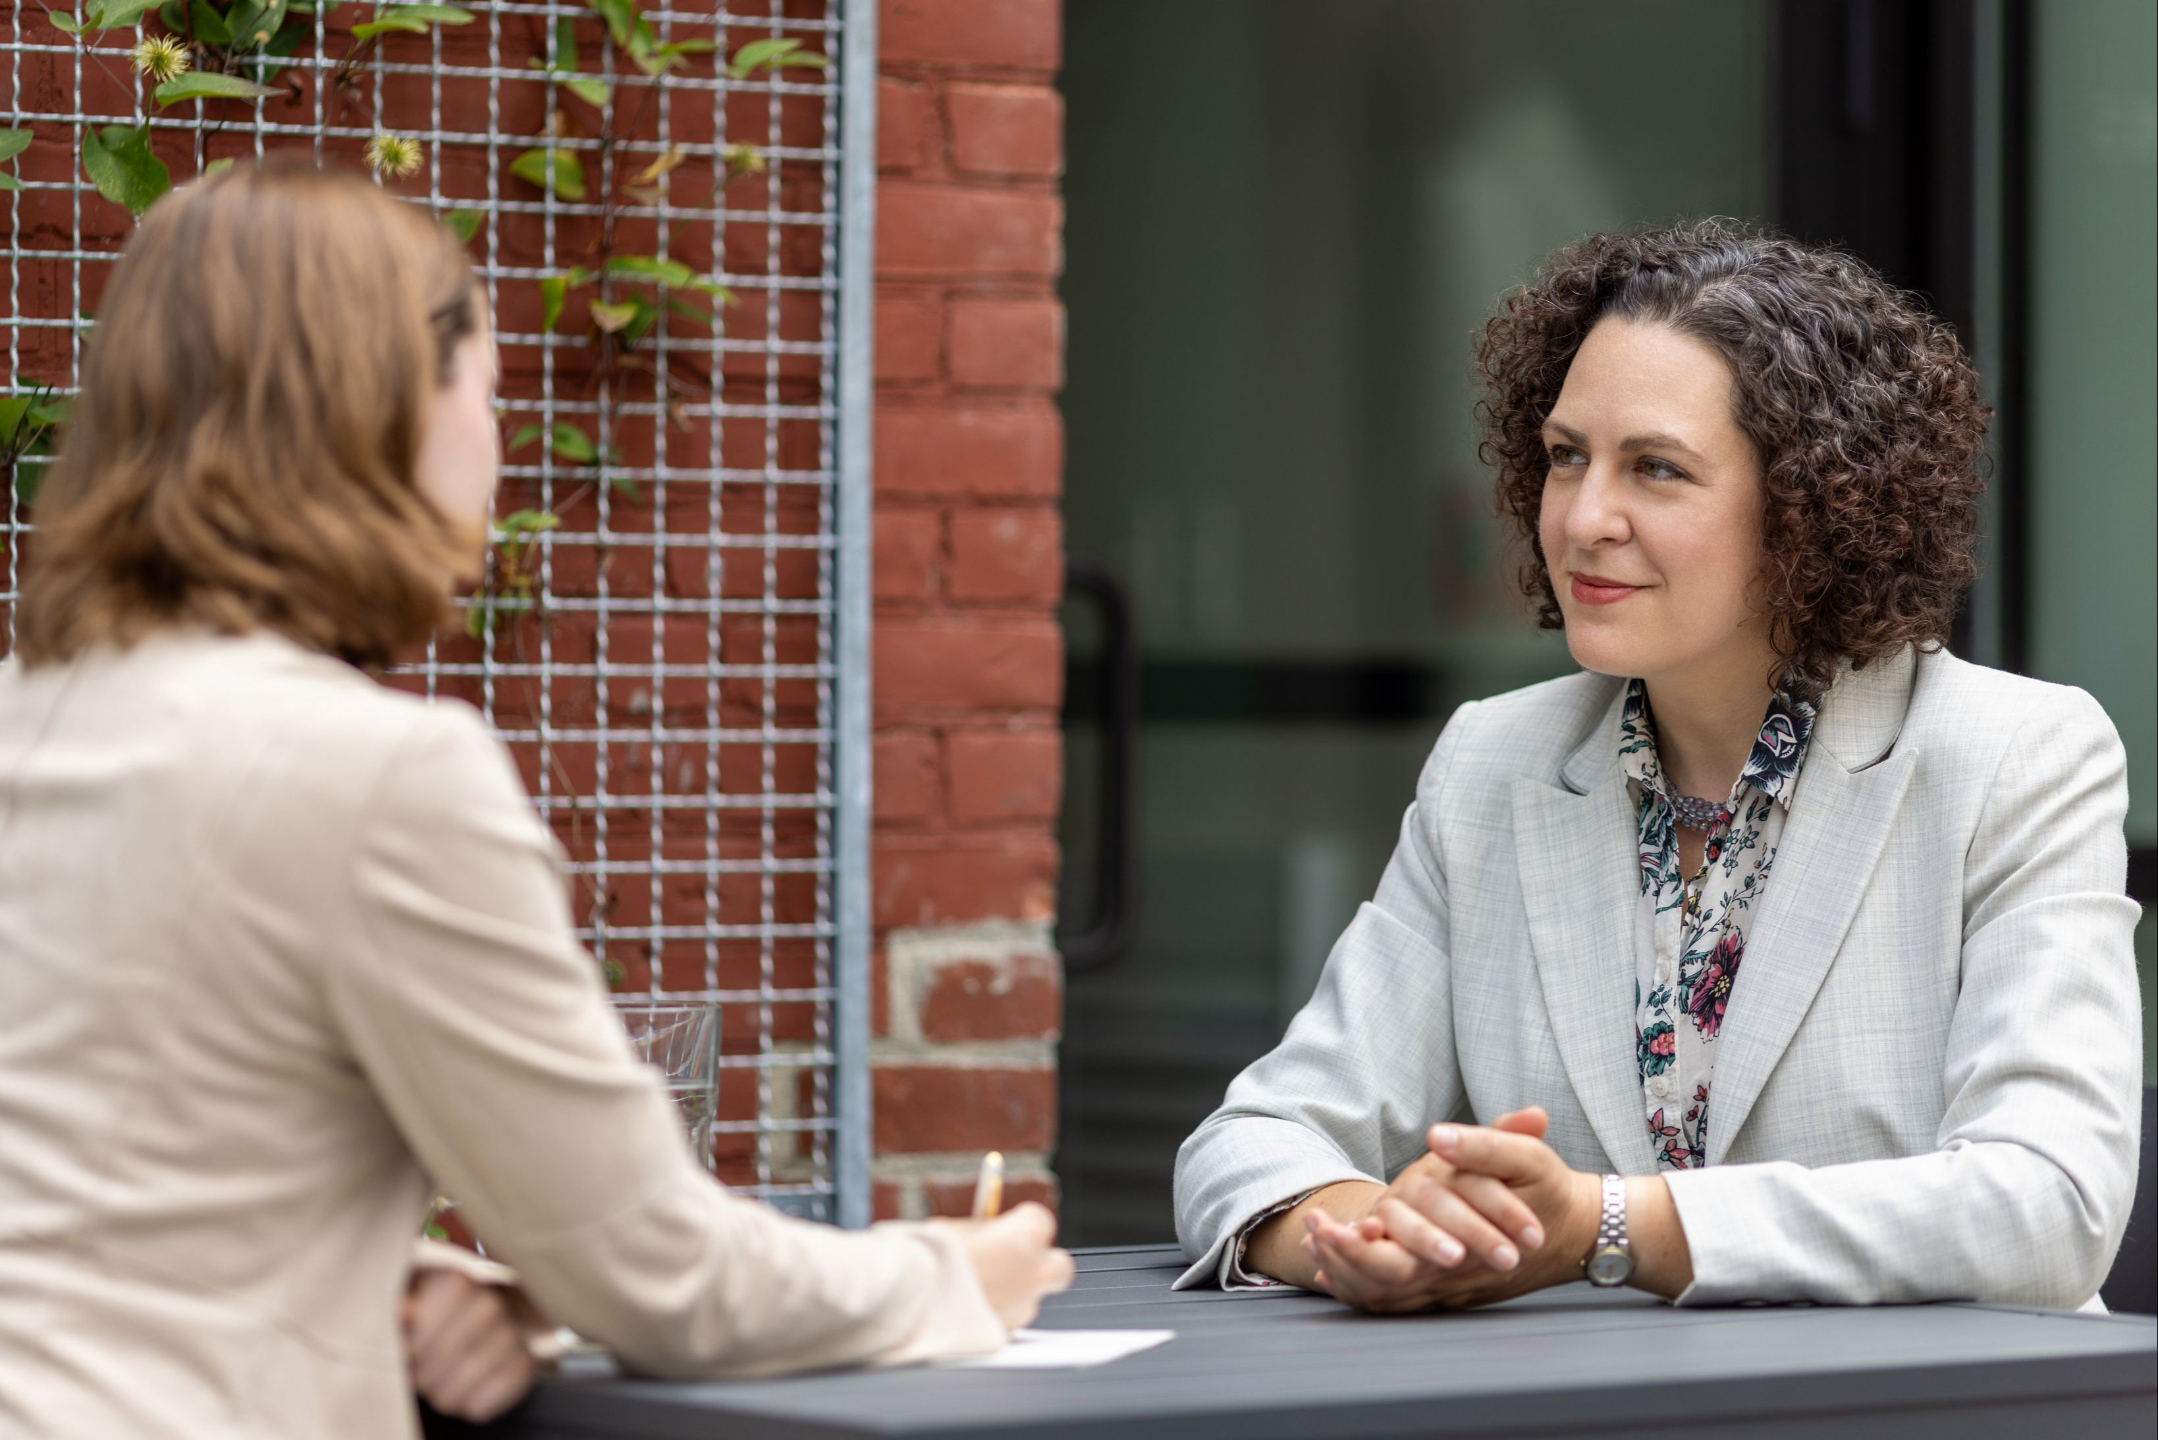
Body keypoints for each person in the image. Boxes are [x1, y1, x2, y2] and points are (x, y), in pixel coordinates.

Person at [0, 161, 1071, 1440]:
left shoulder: (35, 714)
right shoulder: (376, 776)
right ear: (387, 409)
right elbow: (659, 1268)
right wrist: (958, 1277)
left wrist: (429, 1282)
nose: (501, 446)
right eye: (491, 392)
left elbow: (110, 1195)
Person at [1174, 219, 2142, 1313]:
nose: (1584, 519)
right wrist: (1372, 1236)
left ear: (1810, 509)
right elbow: (1255, 1138)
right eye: (1565, 456)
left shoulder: (2014, 756)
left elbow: (2049, 1208)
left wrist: (1608, 1227)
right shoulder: (1493, 765)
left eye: (1658, 470)